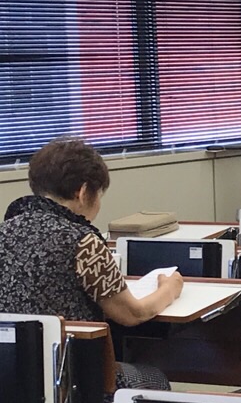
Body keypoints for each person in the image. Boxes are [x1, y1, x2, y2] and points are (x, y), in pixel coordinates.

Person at [0, 138, 184, 386]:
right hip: (72, 379)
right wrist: (169, 289)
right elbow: (132, 313)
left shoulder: (4, 231)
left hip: (10, 378)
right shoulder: (82, 241)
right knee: (155, 379)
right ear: (83, 192)